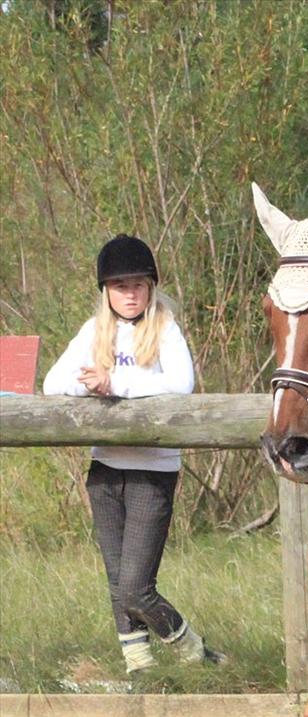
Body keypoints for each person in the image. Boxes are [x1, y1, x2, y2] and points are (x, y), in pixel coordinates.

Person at [42, 234, 223, 675]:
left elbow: (181, 385)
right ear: (105, 290)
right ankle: (140, 670)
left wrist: (115, 385)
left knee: (136, 588)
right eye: (119, 285)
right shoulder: (93, 331)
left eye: (137, 284)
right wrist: (88, 384)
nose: (129, 293)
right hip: (105, 469)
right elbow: (52, 384)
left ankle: (198, 657)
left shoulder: (165, 328)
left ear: (150, 287)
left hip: (152, 470)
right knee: (117, 584)